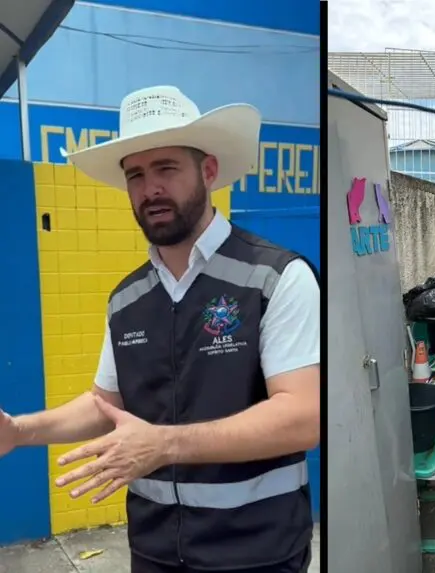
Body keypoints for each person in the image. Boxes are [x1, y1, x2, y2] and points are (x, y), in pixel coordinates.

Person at [0, 86, 320, 572]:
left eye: (166, 168)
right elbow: (106, 405)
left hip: (258, 552)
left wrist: (165, 444)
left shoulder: (275, 277)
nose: (150, 189)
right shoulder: (127, 300)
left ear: (208, 171)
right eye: (136, 175)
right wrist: (19, 431)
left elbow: (303, 416)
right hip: (153, 552)